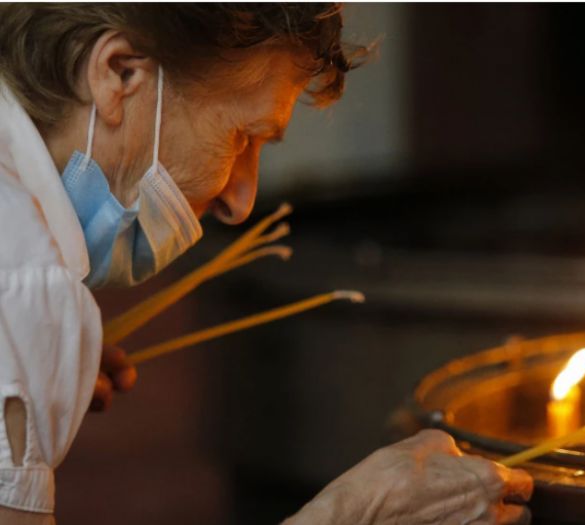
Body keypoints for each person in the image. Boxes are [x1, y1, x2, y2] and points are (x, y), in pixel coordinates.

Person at [0, 4, 533, 524]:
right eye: (243, 137)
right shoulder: (23, 280)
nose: (242, 202)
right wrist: (355, 514)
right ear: (120, 74)